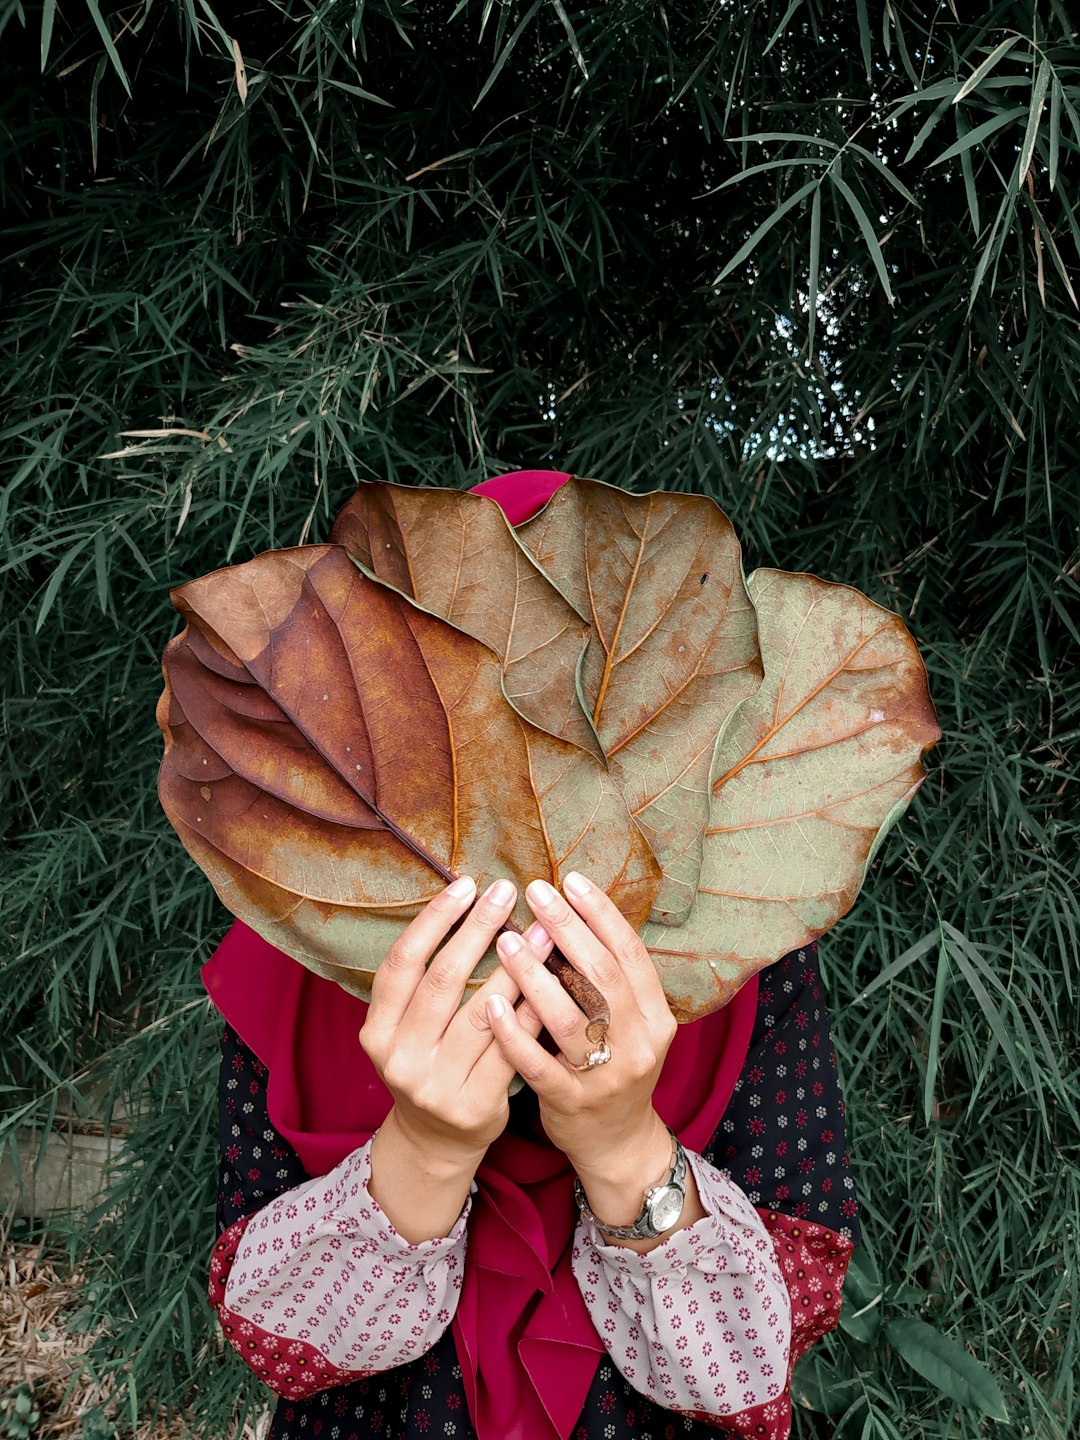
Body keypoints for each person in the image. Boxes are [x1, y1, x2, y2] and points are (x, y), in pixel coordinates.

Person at [201, 472, 860, 1440]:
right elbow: (272, 1339)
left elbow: (754, 1374)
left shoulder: (739, 953)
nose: (542, 801)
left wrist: (622, 1147)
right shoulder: (302, 946)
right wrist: (423, 1151)